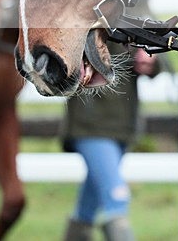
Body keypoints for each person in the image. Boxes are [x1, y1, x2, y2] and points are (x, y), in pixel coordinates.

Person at [60, 42, 161, 241]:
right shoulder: (76, 13)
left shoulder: (136, 11)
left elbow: (156, 49)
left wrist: (151, 59)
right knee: (116, 198)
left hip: (122, 124)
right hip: (89, 122)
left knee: (87, 207)